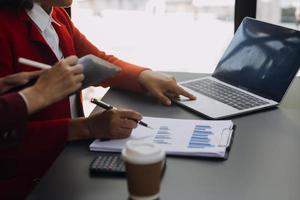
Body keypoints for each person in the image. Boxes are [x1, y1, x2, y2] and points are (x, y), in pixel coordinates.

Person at [0, 0, 196, 198]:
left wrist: (143, 76)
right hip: (34, 180)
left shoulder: (57, 16)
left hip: (67, 158)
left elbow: (97, 61)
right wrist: (85, 128)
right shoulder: (4, 29)